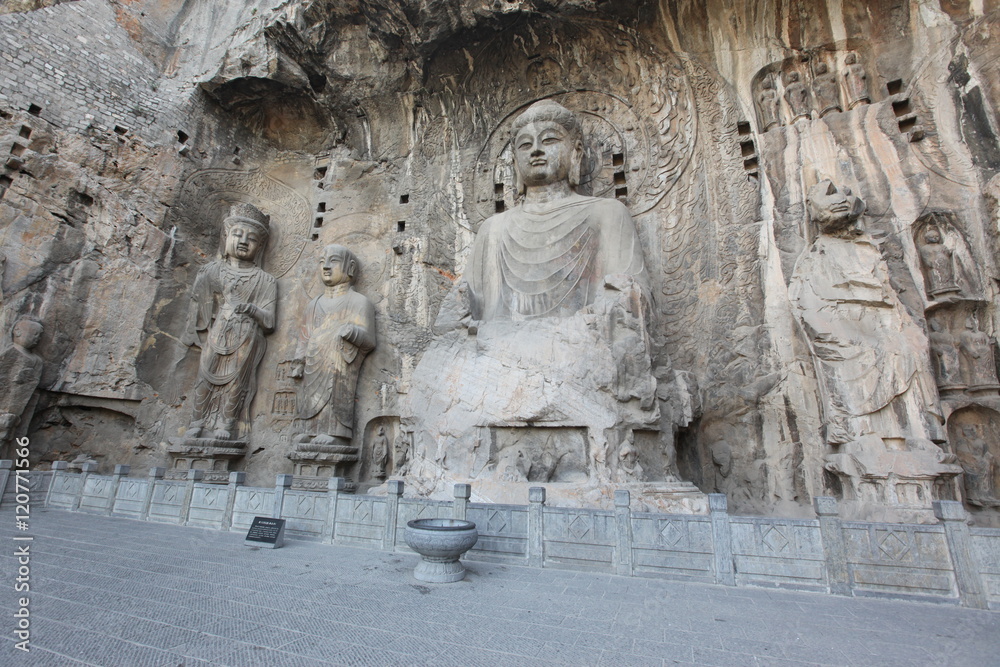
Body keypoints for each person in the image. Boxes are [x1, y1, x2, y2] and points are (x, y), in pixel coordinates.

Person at [459, 99, 649, 322]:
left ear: (575, 152)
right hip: (496, 347)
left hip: (580, 342)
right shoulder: (493, 229)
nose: (536, 150)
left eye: (549, 140)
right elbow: (465, 308)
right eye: (525, 145)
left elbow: (628, 300)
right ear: (514, 162)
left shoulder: (607, 214)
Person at [184, 203, 276, 441]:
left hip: (246, 336)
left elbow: (269, 321)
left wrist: (251, 309)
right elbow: (198, 308)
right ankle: (197, 422)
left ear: (261, 246)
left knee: (237, 381)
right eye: (237, 234)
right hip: (217, 332)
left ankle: (227, 423)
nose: (244, 241)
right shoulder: (210, 271)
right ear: (226, 238)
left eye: (252, 238)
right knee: (205, 376)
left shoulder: (264, 280)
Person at [290, 244, 376, 448]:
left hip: (340, 364)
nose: (326, 267)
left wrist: (351, 332)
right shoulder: (314, 304)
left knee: (335, 392)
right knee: (309, 395)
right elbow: (304, 337)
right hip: (314, 361)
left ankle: (337, 433)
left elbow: (369, 341)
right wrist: (299, 361)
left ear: (351, 268)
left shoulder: (358, 302)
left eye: (334, 261)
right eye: (322, 262)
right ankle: (308, 431)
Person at [0, 317, 44, 442]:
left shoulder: (37, 360)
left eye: (40, 335)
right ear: (17, 331)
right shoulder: (11, 352)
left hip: (20, 409)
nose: (38, 338)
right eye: (34, 334)